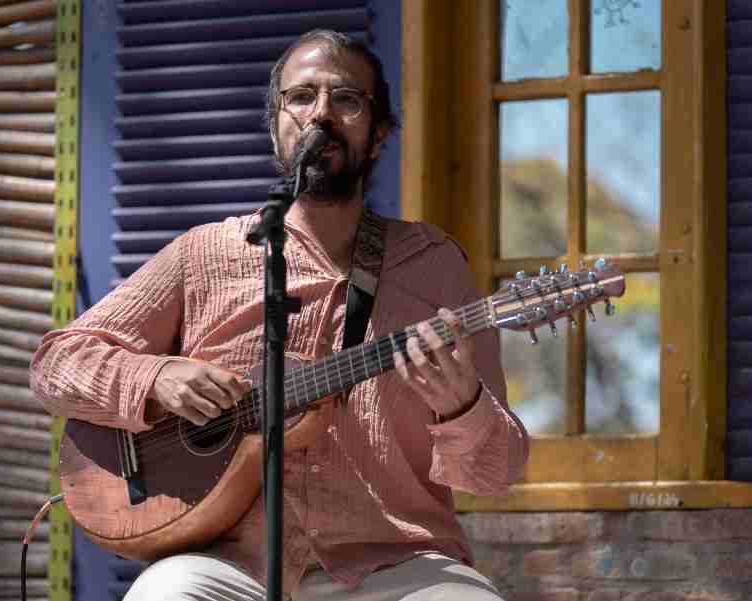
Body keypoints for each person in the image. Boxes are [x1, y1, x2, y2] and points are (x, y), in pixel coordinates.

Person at [30, 29, 529, 601]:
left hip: (396, 565)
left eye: (346, 99)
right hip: (231, 564)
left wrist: (462, 406)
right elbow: (55, 364)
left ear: (379, 132)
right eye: (301, 96)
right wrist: (157, 378)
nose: (322, 113)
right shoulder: (206, 254)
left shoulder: (432, 265)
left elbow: (496, 473)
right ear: (275, 127)